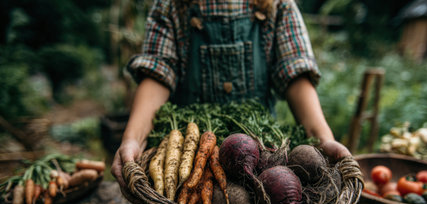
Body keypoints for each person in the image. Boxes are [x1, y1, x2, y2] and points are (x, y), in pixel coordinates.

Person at [111, 0, 351, 188]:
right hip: (192, 157)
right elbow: (158, 73)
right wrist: (133, 138)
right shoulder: (171, 5)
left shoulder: (279, 5)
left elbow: (295, 74)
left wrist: (323, 139)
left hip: (263, 159)